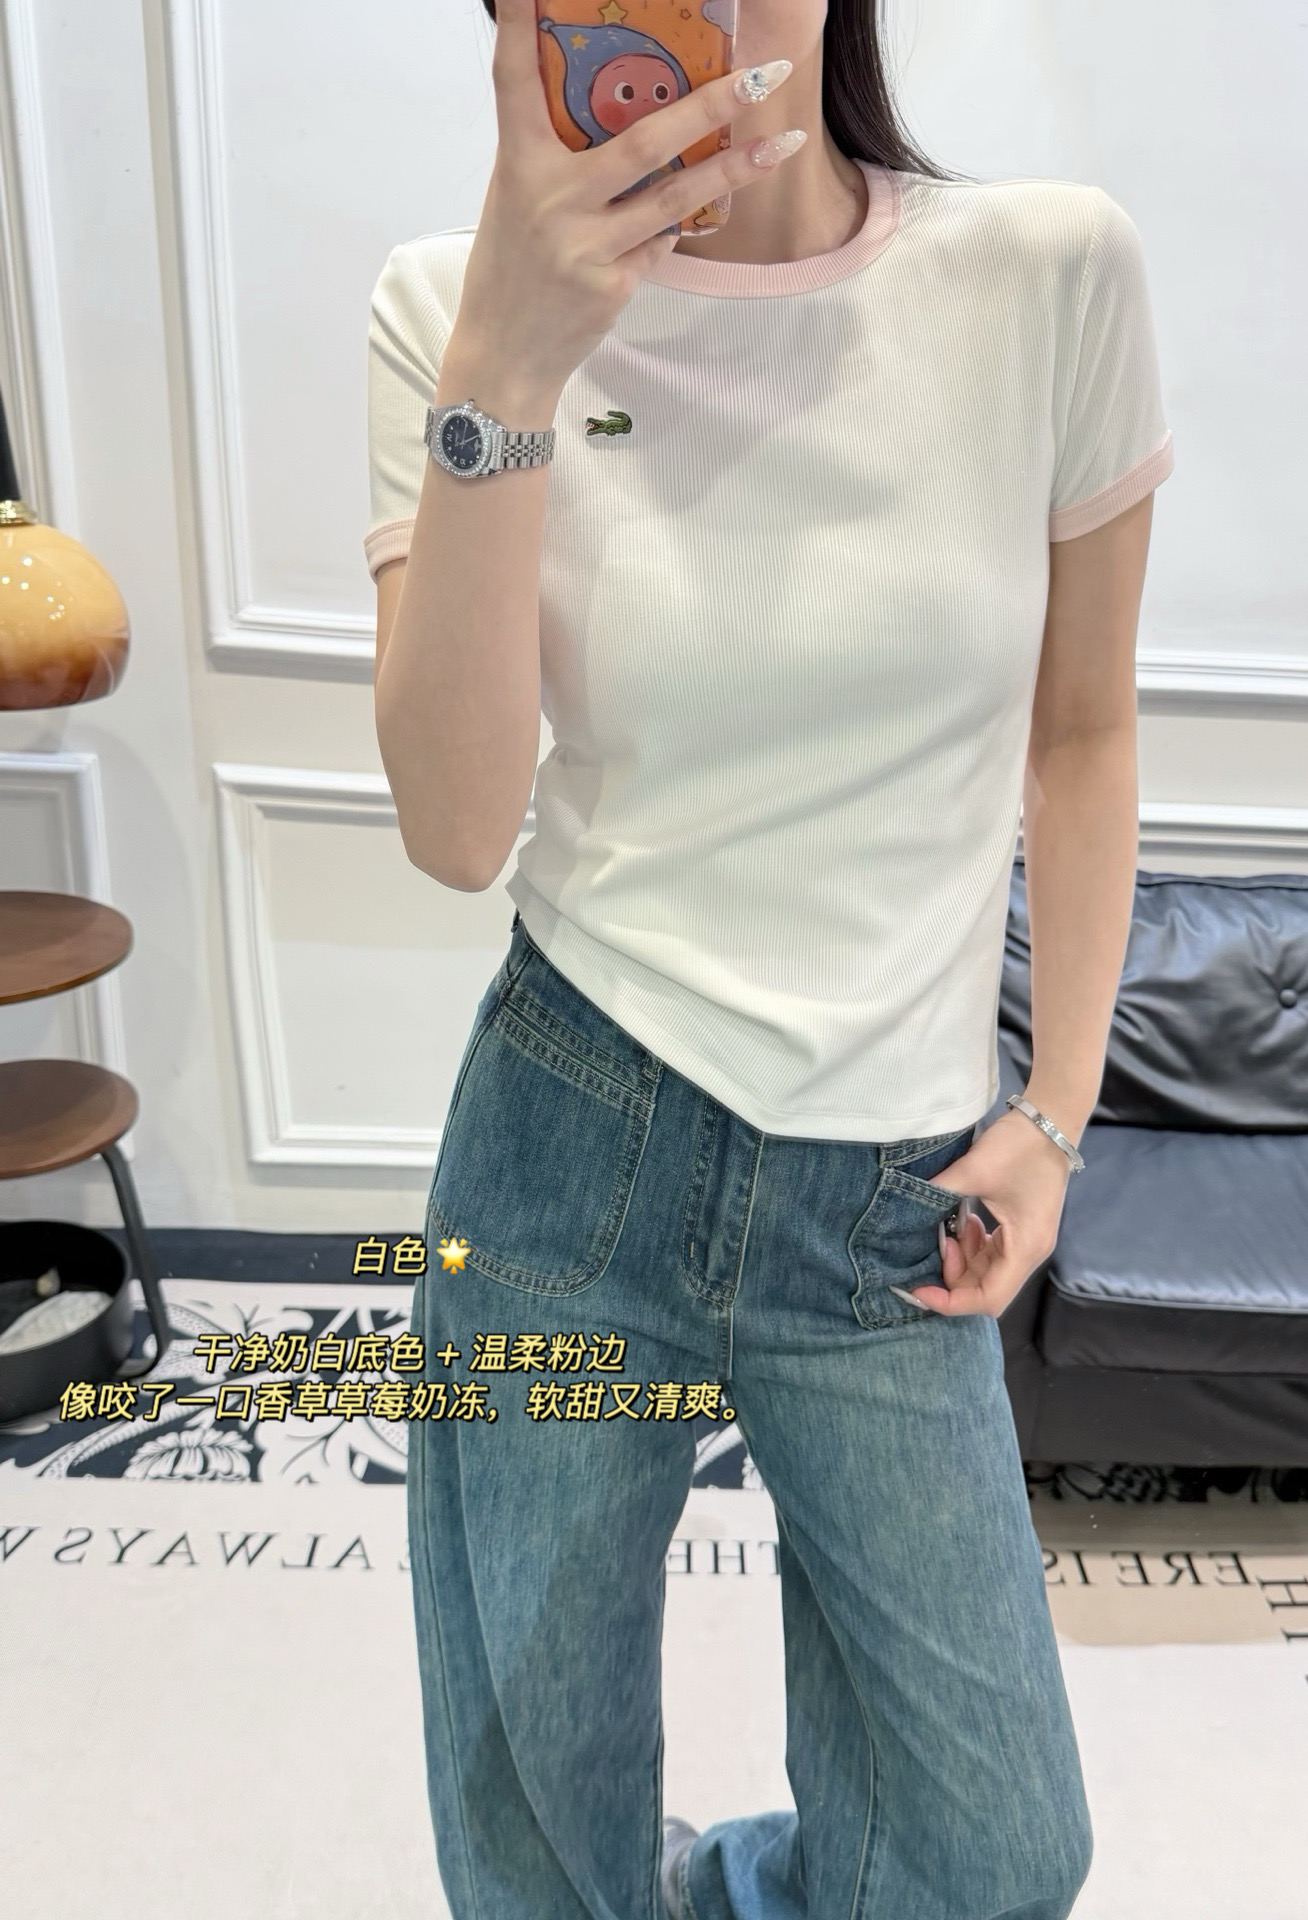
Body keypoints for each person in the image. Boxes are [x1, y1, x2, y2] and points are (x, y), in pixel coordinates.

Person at [365, 0, 1174, 1913]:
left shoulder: (1049, 274)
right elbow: (459, 828)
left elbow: (1082, 733)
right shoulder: (448, 309)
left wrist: (1059, 1112)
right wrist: (512, 360)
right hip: (569, 1146)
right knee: (535, 1849)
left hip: (893, 1195)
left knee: (992, 1850)